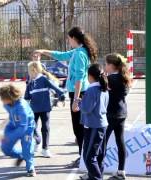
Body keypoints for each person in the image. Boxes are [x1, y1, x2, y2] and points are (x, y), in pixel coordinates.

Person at [33, 26, 98, 167]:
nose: (68, 41)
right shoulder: (77, 51)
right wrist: (43, 51)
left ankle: (83, 158)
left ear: (74, 38)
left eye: (69, 38)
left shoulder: (80, 54)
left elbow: (80, 78)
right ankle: (83, 157)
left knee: (79, 128)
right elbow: (60, 55)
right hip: (77, 92)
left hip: (79, 93)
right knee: (79, 128)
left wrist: (76, 100)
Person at [24, 61, 65, 158]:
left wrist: (61, 94)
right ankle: (37, 141)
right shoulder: (30, 83)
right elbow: (27, 96)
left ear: (34, 70)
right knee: (31, 127)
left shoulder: (44, 79)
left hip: (45, 108)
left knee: (45, 128)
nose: (29, 73)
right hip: (33, 109)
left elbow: (55, 87)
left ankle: (45, 149)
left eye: (29, 71)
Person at [78, 64, 109, 180]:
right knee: (99, 156)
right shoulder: (104, 88)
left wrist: (80, 102)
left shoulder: (91, 89)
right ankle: (95, 176)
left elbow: (86, 108)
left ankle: (96, 178)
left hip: (93, 126)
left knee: (88, 157)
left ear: (90, 76)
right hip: (102, 124)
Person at [0, 84, 36, 177]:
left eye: (3, 98)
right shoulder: (6, 104)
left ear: (10, 97)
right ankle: (21, 155)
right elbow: (12, 114)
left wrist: (9, 137)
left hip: (27, 127)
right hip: (13, 124)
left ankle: (30, 168)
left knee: (27, 149)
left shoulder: (21, 107)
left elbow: (23, 127)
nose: (1, 100)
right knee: (5, 148)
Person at [104, 53, 131, 179]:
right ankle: (121, 171)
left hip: (111, 113)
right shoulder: (123, 77)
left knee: (102, 141)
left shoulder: (110, 79)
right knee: (120, 141)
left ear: (112, 65)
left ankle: (96, 169)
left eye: (106, 64)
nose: (105, 66)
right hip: (121, 113)